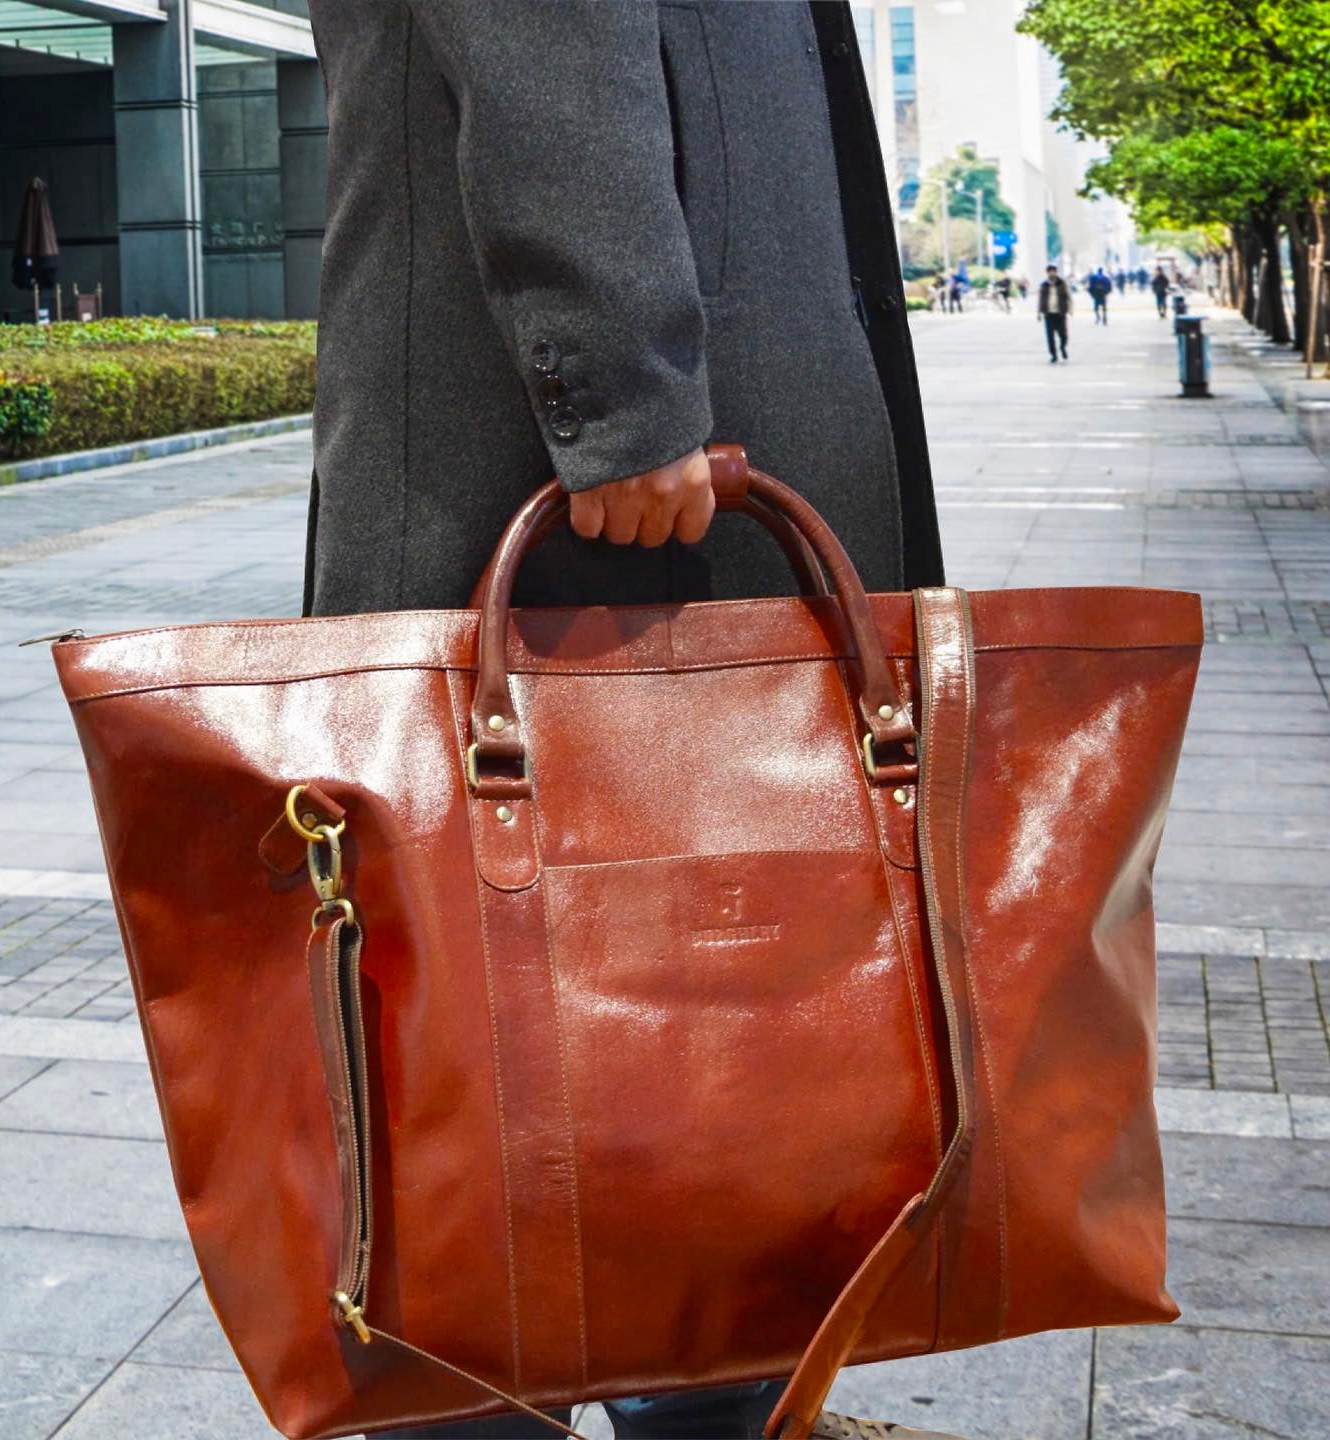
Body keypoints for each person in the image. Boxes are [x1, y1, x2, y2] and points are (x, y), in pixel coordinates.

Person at [301, 3, 952, 1439]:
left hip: (662, 452)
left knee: (700, 990)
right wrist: (624, 388)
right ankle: (535, 1387)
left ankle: (695, 1371)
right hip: (603, 463)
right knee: (495, 999)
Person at [1038, 263, 1072, 363]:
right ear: (1047, 273)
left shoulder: (1062, 284)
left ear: (1056, 272)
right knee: (1050, 337)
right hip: (1048, 315)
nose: (1052, 273)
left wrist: (1070, 310)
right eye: (1050, 271)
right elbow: (1040, 299)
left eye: (1053, 271)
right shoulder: (1044, 285)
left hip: (1060, 314)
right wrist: (1039, 313)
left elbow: (1068, 297)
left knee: (1063, 335)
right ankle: (1053, 355)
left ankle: (1062, 347)